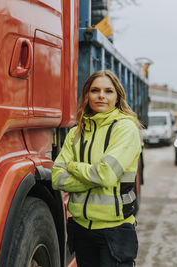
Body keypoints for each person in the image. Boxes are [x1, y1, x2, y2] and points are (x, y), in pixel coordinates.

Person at [52, 70, 142, 267]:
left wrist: (73, 166)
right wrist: (92, 176)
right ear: (86, 95)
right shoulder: (75, 132)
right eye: (95, 90)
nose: (101, 95)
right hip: (82, 231)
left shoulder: (126, 129)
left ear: (117, 97)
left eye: (108, 91)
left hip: (114, 233)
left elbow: (106, 175)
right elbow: (57, 178)